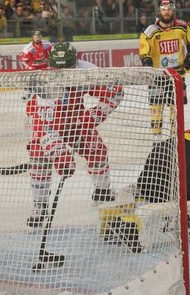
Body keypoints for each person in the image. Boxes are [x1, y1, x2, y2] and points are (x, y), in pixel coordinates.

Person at [24, 42, 124, 227]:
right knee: (39, 158)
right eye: (57, 67)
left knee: (97, 150)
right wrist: (58, 153)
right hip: (43, 120)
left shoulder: (88, 72)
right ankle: (40, 205)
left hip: (76, 118)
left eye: (68, 67)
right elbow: (42, 124)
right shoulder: (43, 78)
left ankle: (102, 191)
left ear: (76, 62)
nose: (62, 72)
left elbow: (115, 94)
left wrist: (89, 119)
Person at [139, 0, 190, 136]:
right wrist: (146, 61)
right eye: (164, 9)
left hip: (177, 75)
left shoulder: (182, 27)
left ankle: (176, 138)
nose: (167, 12)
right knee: (156, 109)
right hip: (157, 76)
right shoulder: (150, 31)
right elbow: (144, 50)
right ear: (159, 11)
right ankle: (157, 139)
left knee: (176, 109)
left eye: (169, 9)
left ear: (173, 11)